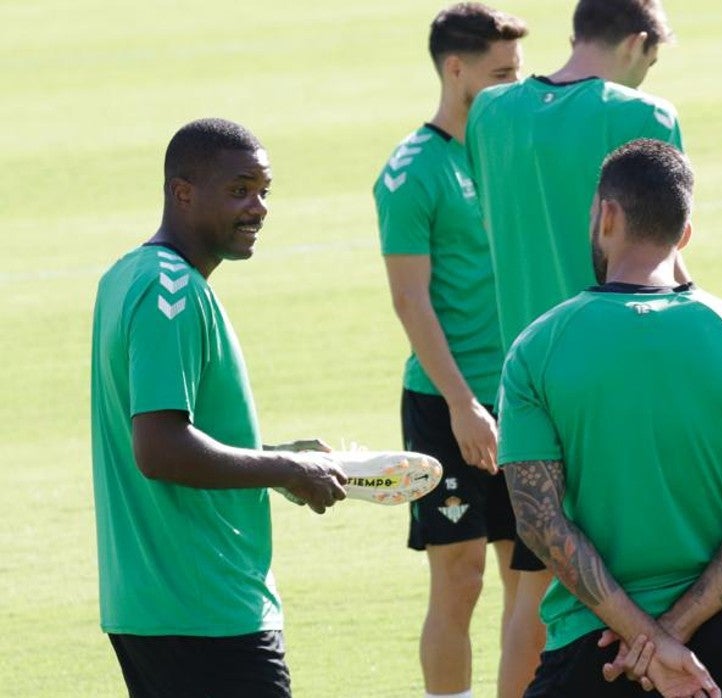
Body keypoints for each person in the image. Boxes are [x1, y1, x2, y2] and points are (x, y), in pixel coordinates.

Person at [499, 139, 722, 697]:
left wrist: (646, 639)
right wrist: (671, 635)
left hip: (596, 645)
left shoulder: (538, 349)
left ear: (607, 216)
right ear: (685, 233)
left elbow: (539, 522)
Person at [464, 0, 685, 691]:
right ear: (638, 42)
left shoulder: (489, 115)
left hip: (525, 382)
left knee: (534, 590)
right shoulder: (644, 118)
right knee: (649, 581)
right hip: (622, 373)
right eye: (651, 60)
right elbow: (669, 253)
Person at [90, 117, 349, 697]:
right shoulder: (171, 293)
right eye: (239, 190)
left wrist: (275, 457)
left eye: (263, 191)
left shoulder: (127, 276)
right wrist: (287, 471)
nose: (258, 207)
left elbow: (176, 432)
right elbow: (159, 448)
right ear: (183, 193)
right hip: (204, 605)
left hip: (156, 603)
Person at [371, 5, 533, 698]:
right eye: (501, 74)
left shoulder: (519, 149)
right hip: (446, 401)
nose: (513, 87)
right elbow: (411, 301)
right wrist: (463, 405)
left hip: (526, 396)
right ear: (455, 68)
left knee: (532, 576)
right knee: (460, 574)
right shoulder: (411, 172)